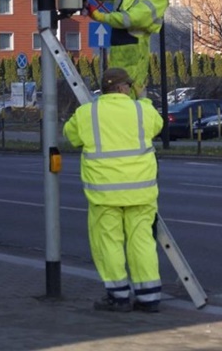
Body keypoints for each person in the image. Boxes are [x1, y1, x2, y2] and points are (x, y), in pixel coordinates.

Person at [62, 67, 164, 313]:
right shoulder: (142, 110)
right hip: (141, 192)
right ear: (122, 88)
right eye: (128, 86)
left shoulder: (88, 113)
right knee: (142, 242)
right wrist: (144, 98)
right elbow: (157, 125)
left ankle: (118, 296)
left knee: (109, 243)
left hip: (104, 194)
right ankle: (149, 297)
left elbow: (70, 136)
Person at [83, 0, 169, 98]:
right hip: (118, 54)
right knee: (115, 101)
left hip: (135, 59)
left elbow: (134, 18)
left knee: (128, 101)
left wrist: (102, 17)